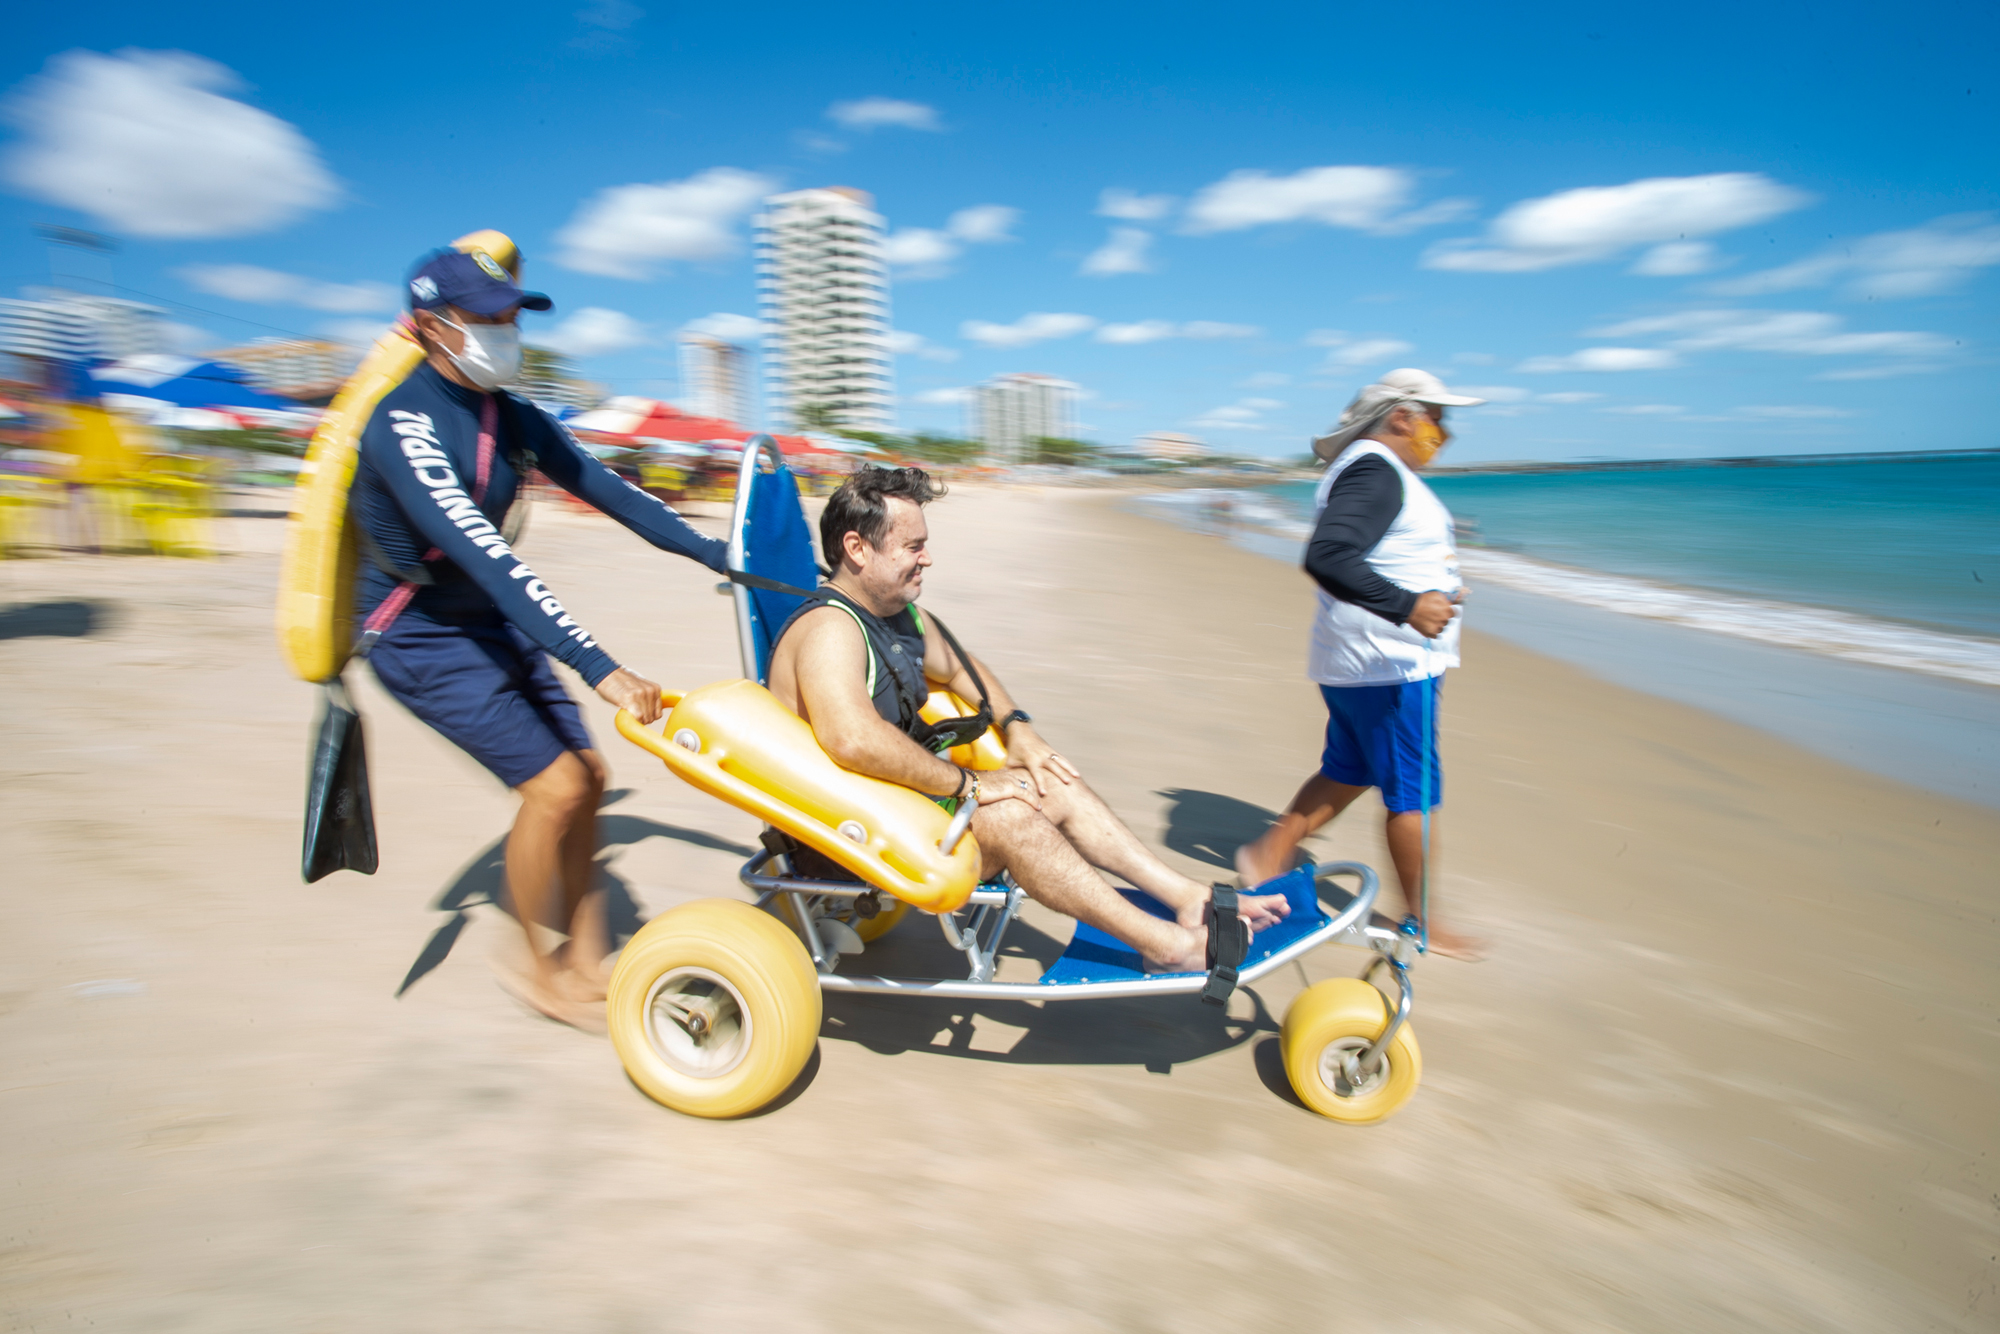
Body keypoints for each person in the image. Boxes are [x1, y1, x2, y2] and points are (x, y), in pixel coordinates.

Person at [353, 245, 727, 1027]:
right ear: (431, 328)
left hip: (485, 618)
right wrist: (600, 666)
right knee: (553, 788)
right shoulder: (404, 426)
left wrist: (733, 558)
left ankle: (584, 957)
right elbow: (487, 558)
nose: (506, 330)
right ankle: (534, 967)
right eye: (486, 318)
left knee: (588, 774)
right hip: (416, 631)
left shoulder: (512, 415)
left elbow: (618, 496)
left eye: (511, 315)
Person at [765, 466, 1291, 973]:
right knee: (1012, 816)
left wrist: (1019, 730)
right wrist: (970, 784)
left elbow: (966, 670)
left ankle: (1189, 899)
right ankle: (1166, 946)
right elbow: (853, 739)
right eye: (913, 546)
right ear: (857, 549)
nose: (928, 559)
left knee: (1050, 778)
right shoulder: (831, 629)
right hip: (847, 841)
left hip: (897, 811)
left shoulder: (895, 618)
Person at [1233, 368, 1487, 960]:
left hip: (1358, 660)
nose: (1443, 432)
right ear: (1402, 416)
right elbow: (1328, 555)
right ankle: (1421, 920)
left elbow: (1370, 554)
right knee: (1412, 794)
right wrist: (1409, 606)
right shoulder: (1376, 469)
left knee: (1349, 767)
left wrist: (1435, 592)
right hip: (1391, 667)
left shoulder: (1372, 470)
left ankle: (1270, 852)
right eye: (1437, 417)